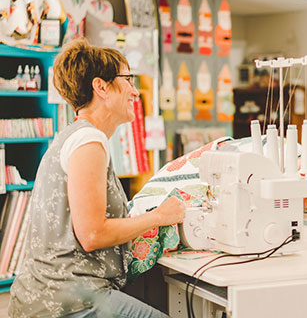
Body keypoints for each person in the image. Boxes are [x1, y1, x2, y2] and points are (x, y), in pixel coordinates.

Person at [9, 39, 186, 318]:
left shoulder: (78, 138)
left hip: (56, 294)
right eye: (128, 79)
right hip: (67, 301)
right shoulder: (88, 142)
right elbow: (92, 234)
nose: (135, 92)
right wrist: (160, 216)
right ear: (101, 87)